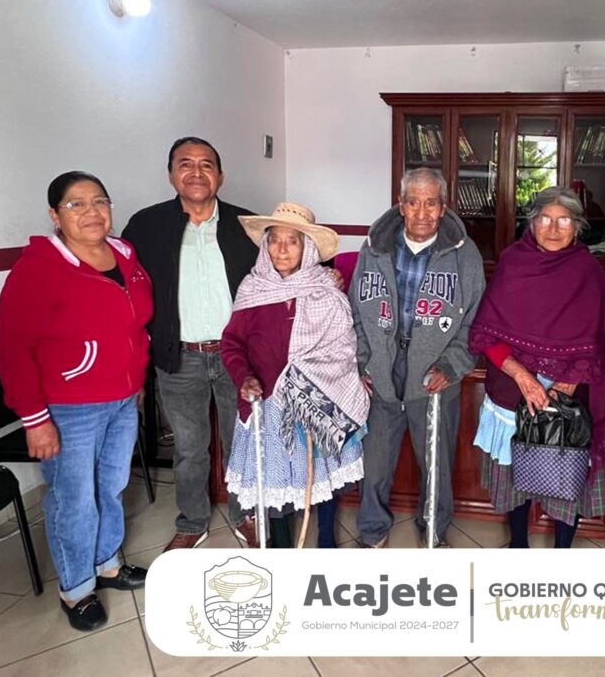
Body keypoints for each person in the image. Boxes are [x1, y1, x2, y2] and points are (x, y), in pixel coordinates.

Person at [0, 171, 153, 631]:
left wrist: (136, 379)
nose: (91, 212)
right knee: (74, 499)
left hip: (122, 399)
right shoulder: (39, 268)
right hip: (70, 407)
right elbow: (12, 349)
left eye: (99, 201)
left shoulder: (125, 255)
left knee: (111, 486)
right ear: (55, 214)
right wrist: (34, 418)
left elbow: (135, 326)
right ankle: (77, 589)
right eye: (76, 204)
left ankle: (107, 565)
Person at [469, 186, 605, 548]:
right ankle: (518, 544)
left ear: (577, 227)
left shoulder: (589, 272)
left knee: (566, 472)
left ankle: (562, 552)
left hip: (568, 394)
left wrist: (567, 383)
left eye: (564, 220)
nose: (553, 228)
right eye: (545, 219)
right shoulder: (513, 263)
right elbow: (486, 333)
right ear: (532, 223)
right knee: (514, 472)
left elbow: (601, 339)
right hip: (513, 389)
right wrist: (523, 376)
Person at [122, 137, 260, 551]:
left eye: (206, 165)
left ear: (220, 176)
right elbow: (125, 290)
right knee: (188, 448)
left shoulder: (246, 225)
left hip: (238, 357)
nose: (196, 172)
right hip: (179, 356)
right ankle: (192, 521)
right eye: (186, 164)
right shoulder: (146, 226)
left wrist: (328, 274)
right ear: (171, 174)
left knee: (243, 443)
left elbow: (280, 273)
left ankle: (246, 515)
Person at [352, 168, 485, 548]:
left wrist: (452, 366)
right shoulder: (374, 248)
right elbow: (356, 310)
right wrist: (363, 361)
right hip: (383, 368)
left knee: (435, 461)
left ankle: (433, 531)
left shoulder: (464, 254)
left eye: (431, 203)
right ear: (401, 205)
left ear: (443, 207)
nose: (422, 213)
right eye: (414, 202)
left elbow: (476, 320)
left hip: (434, 373)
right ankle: (373, 530)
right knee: (376, 461)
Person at [221, 203, 368, 548]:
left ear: (307, 248)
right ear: (265, 245)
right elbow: (232, 343)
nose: (282, 249)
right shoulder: (253, 290)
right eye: (275, 240)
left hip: (317, 398)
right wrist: (244, 377)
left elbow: (342, 346)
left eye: (292, 241)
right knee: (278, 480)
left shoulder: (326, 290)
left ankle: (326, 540)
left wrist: (317, 381)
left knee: (323, 472)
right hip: (270, 405)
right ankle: (282, 550)